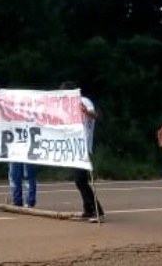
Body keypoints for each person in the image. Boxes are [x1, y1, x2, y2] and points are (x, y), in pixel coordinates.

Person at [61, 82, 104, 223]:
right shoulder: (66, 106)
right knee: (80, 181)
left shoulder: (84, 101)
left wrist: (85, 111)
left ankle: (97, 211)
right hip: (74, 147)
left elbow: (94, 115)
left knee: (80, 180)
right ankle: (89, 209)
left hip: (83, 146)